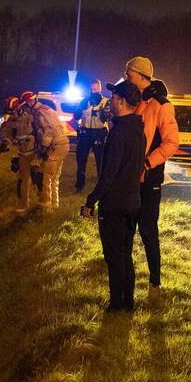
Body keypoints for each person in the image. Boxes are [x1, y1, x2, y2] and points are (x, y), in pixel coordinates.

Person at [80, 80, 146, 313]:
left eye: (115, 98)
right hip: (132, 202)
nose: (112, 102)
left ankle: (116, 305)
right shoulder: (138, 130)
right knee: (126, 254)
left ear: (123, 102)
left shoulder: (118, 134)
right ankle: (128, 303)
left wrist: (90, 201)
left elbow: (108, 175)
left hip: (115, 205)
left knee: (114, 256)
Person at [124, 56, 179, 301]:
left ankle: (154, 281)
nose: (127, 78)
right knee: (125, 230)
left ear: (142, 75)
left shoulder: (161, 105)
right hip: (129, 178)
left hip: (149, 179)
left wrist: (147, 163)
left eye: (130, 74)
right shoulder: (133, 100)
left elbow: (171, 142)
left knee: (148, 231)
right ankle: (125, 280)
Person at [3, 91, 40, 214]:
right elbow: (8, 133)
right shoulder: (13, 118)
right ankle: (23, 206)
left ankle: (41, 204)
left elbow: (38, 131)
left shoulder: (30, 115)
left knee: (37, 178)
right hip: (23, 152)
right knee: (23, 180)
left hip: (34, 151)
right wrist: (5, 143)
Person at [31, 95, 70, 209]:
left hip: (55, 146)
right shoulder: (47, 108)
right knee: (55, 178)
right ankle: (55, 205)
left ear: (29, 103)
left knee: (45, 178)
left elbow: (49, 131)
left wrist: (43, 147)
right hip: (63, 144)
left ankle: (45, 206)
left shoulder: (40, 113)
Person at [74, 80, 109, 191]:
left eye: (95, 89)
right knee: (81, 159)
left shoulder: (105, 102)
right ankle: (80, 185)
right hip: (86, 133)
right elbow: (76, 117)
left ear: (100, 89)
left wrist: (102, 111)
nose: (93, 91)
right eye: (92, 89)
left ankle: (101, 185)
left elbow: (107, 118)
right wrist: (80, 109)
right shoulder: (84, 101)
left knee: (101, 161)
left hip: (99, 134)